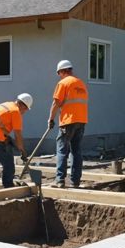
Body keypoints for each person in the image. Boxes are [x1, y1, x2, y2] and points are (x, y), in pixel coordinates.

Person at [0, 93, 33, 192]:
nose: (25, 112)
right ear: (22, 105)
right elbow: (18, 134)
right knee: (8, 161)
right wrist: (22, 150)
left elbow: (1, 125)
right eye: (26, 109)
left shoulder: (8, 105)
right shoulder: (16, 112)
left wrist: (9, 140)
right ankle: (8, 185)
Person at [47, 60, 88, 188]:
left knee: (62, 150)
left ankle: (60, 180)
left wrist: (51, 119)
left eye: (59, 73)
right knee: (76, 151)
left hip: (68, 121)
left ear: (63, 71)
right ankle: (75, 181)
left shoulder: (63, 83)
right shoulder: (81, 83)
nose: (59, 75)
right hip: (81, 121)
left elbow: (56, 103)